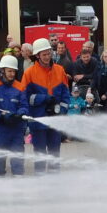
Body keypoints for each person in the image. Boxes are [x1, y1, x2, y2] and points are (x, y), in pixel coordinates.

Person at [18, 38, 70, 175]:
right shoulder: (29, 73)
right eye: (44, 54)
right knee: (39, 153)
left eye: (49, 53)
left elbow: (66, 95)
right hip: (38, 120)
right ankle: (40, 178)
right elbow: (24, 98)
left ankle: (54, 179)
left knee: (54, 152)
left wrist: (62, 111)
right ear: (37, 55)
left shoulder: (60, 70)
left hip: (55, 120)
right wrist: (43, 98)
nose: (47, 57)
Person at [0, 55, 28, 177]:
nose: (12, 74)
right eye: (9, 71)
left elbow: (24, 105)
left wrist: (20, 113)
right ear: (3, 71)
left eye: (14, 71)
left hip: (16, 129)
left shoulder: (20, 87)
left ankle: (18, 182)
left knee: (18, 161)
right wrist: (0, 116)